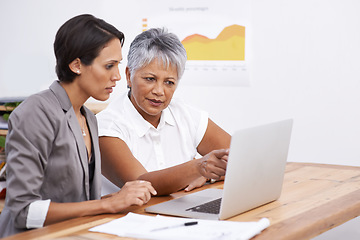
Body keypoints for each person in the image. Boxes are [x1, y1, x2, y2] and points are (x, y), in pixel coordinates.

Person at [0, 14, 156, 238]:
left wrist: (116, 199)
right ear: (76, 65)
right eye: (109, 66)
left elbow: (77, 204)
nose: (117, 77)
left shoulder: (88, 117)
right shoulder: (35, 113)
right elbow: (23, 211)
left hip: (74, 233)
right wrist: (107, 205)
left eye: (118, 65)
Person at [97, 28, 231, 196]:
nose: (159, 91)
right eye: (150, 79)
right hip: (128, 219)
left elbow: (240, 159)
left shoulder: (183, 113)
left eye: (169, 82)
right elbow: (142, 184)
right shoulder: (106, 126)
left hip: (175, 213)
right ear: (129, 75)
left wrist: (207, 176)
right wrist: (198, 168)